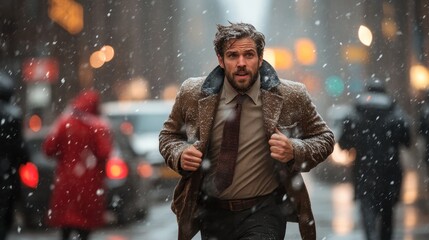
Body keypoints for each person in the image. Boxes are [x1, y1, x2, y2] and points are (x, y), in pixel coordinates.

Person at [159, 22, 335, 240]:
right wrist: (180, 154)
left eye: (249, 55)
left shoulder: (291, 95)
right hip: (212, 212)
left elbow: (325, 138)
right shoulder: (193, 94)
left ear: (260, 59)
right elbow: (168, 137)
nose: (241, 63)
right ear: (220, 60)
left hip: (265, 212)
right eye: (232, 55)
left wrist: (295, 150)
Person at [338, 79, 411, 240]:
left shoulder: (357, 112)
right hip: (390, 173)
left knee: (367, 215)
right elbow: (407, 139)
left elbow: (344, 142)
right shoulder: (394, 112)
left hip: (364, 172)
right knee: (387, 216)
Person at [43, 90, 112, 240]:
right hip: (89, 183)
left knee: (66, 223)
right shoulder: (98, 127)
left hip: (66, 181)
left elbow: (48, 148)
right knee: (84, 225)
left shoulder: (64, 123)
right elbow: (104, 152)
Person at [0, 71, 30, 240]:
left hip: (6, 172)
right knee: (5, 214)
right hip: (6, 175)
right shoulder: (12, 116)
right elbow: (20, 147)